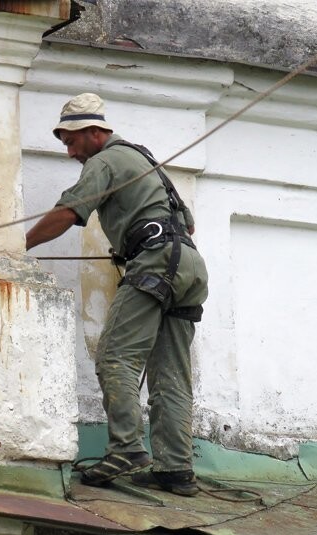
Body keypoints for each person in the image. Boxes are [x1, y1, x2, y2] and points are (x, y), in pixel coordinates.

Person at [25, 93, 208, 497]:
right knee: (170, 373)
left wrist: (18, 245)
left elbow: (70, 212)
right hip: (190, 267)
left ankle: (126, 448)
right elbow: (188, 227)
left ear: (94, 132)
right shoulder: (146, 160)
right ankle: (175, 470)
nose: (70, 151)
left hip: (156, 263)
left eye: (72, 141)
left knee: (114, 356)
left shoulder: (104, 161)